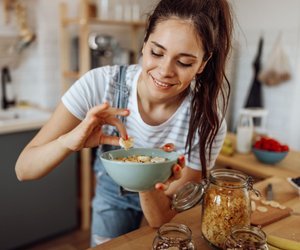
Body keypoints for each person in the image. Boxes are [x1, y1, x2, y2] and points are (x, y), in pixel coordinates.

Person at [15, 0, 233, 246]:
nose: (164, 71)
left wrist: (144, 173)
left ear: (203, 63)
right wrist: (69, 141)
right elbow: (24, 169)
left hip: (160, 201)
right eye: (157, 52)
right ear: (144, 43)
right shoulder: (100, 84)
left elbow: (163, 218)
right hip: (112, 198)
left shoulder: (206, 123)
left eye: (184, 62)